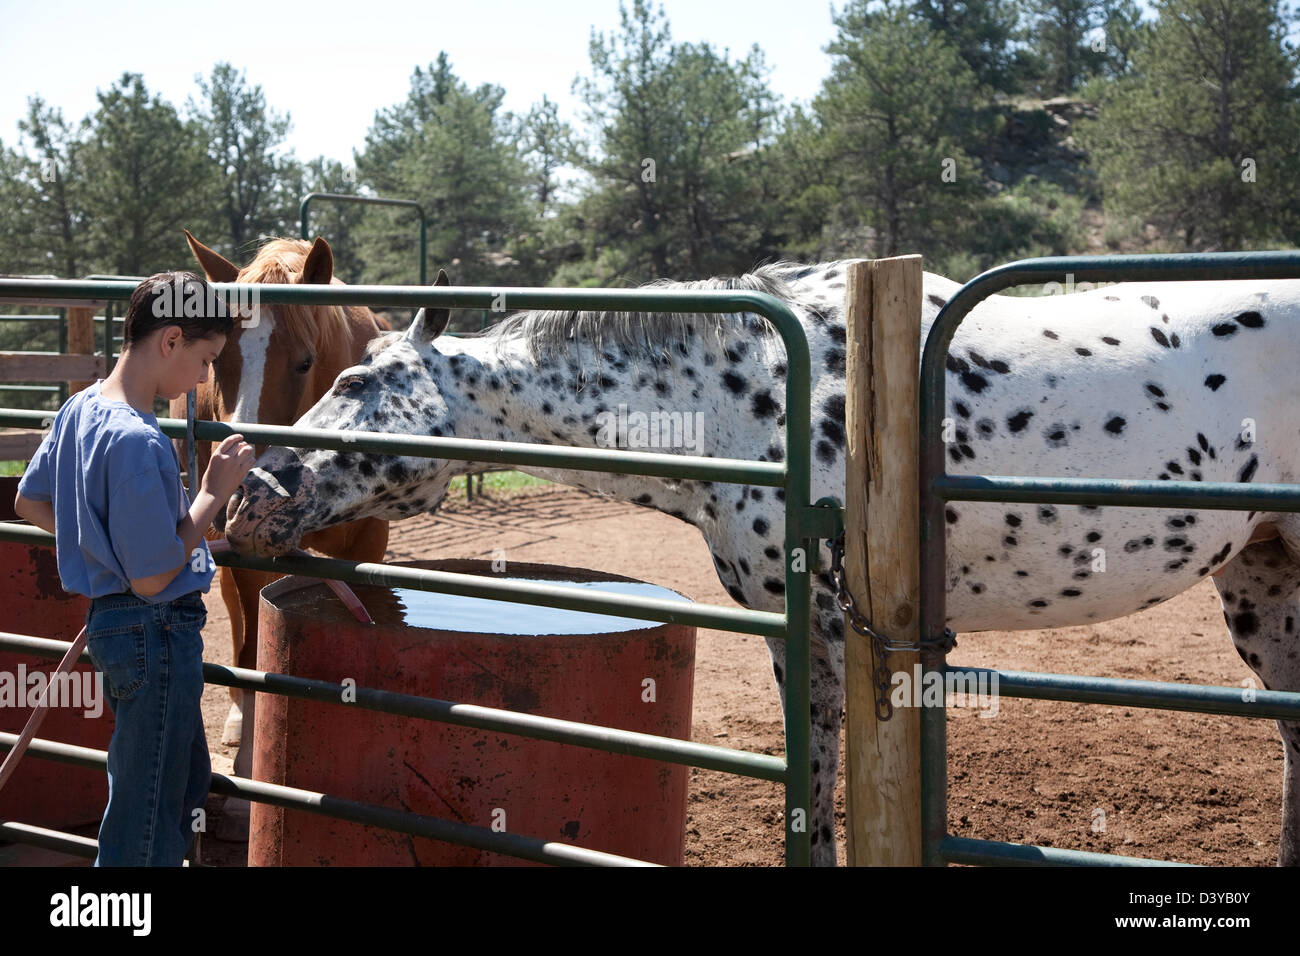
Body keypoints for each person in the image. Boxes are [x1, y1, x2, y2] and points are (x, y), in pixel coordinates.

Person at [13, 270, 255, 866]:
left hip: (117, 630)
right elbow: (150, 578)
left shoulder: (79, 409)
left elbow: (30, 500)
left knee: (167, 783)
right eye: (205, 359)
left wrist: (103, 546)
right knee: (147, 812)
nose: (202, 378)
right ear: (170, 339)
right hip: (157, 628)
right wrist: (212, 494)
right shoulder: (138, 441)